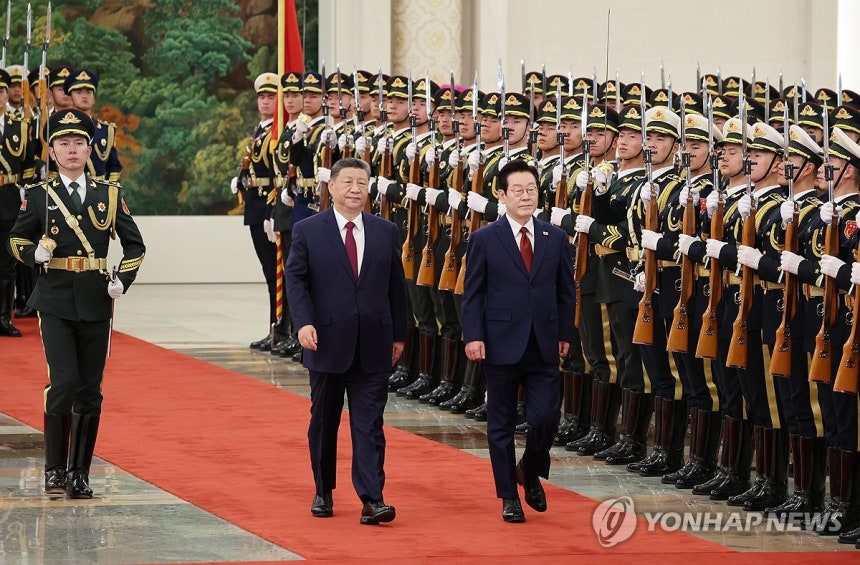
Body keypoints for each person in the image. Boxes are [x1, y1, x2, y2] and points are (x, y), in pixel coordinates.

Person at [6, 108, 145, 498]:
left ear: (89, 150)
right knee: (63, 383)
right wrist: (32, 253)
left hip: (96, 300)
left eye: (78, 143)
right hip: (54, 300)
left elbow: (135, 245)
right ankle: (54, 469)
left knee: (90, 389)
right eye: (63, 143)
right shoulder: (38, 197)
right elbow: (16, 241)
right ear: (51, 151)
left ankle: (79, 473)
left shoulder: (110, 195)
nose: (71, 150)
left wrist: (123, 279)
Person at [285, 157, 408, 525]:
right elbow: (296, 281)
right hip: (325, 341)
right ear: (332, 187)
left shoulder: (385, 231)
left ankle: (373, 498)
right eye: (348, 182)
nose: (355, 189)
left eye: (362, 183)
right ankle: (323, 489)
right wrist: (303, 323)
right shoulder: (308, 230)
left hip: (374, 342)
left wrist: (399, 335)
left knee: (369, 423)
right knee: (324, 421)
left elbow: (396, 288)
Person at [461, 159, 576, 523]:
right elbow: (473, 293)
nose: (525, 197)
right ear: (501, 195)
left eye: (531, 190)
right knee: (501, 422)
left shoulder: (554, 237)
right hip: (498, 342)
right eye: (518, 191)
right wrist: (474, 336)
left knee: (545, 419)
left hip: (543, 342)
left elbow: (565, 292)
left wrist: (564, 334)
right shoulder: (483, 238)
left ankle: (528, 468)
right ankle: (508, 495)